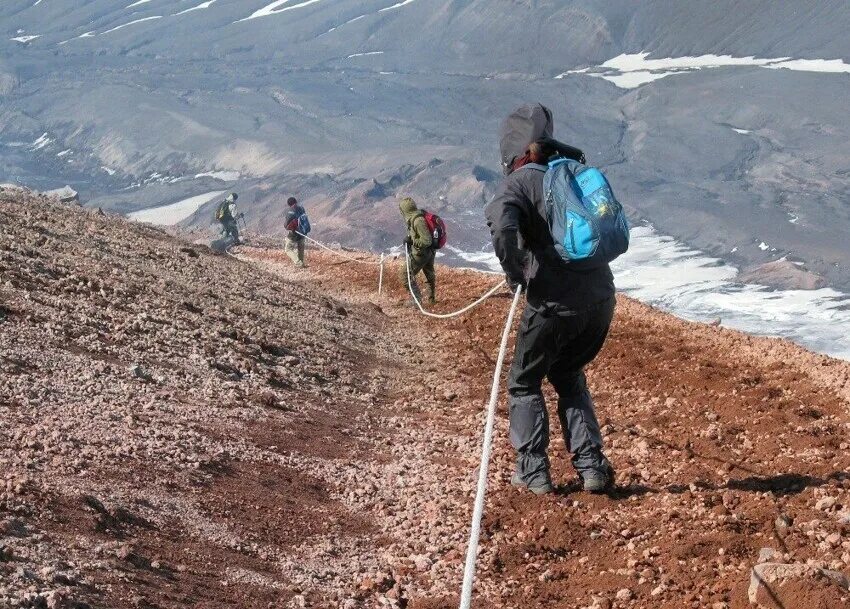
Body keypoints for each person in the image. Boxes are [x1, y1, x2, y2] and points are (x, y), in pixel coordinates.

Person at [485, 103, 616, 495]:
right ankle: (592, 468)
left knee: (524, 382)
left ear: (511, 151)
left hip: (554, 303)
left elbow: (502, 230)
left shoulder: (518, 183)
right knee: (569, 374)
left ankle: (533, 472)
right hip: (601, 298)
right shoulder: (572, 171)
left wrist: (517, 274)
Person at [398, 197, 436, 304]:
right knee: (429, 274)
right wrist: (411, 238)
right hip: (429, 252)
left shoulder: (418, 221)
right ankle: (431, 299)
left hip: (422, 253)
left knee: (404, 275)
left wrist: (412, 241)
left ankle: (417, 300)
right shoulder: (418, 216)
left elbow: (426, 241)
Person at [284, 196, 307, 267]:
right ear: (296, 201)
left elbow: (286, 225)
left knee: (288, 249)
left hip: (294, 233)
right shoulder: (302, 208)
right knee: (301, 248)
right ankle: (301, 262)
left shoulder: (290, 212)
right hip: (303, 231)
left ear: (289, 204)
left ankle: (298, 263)